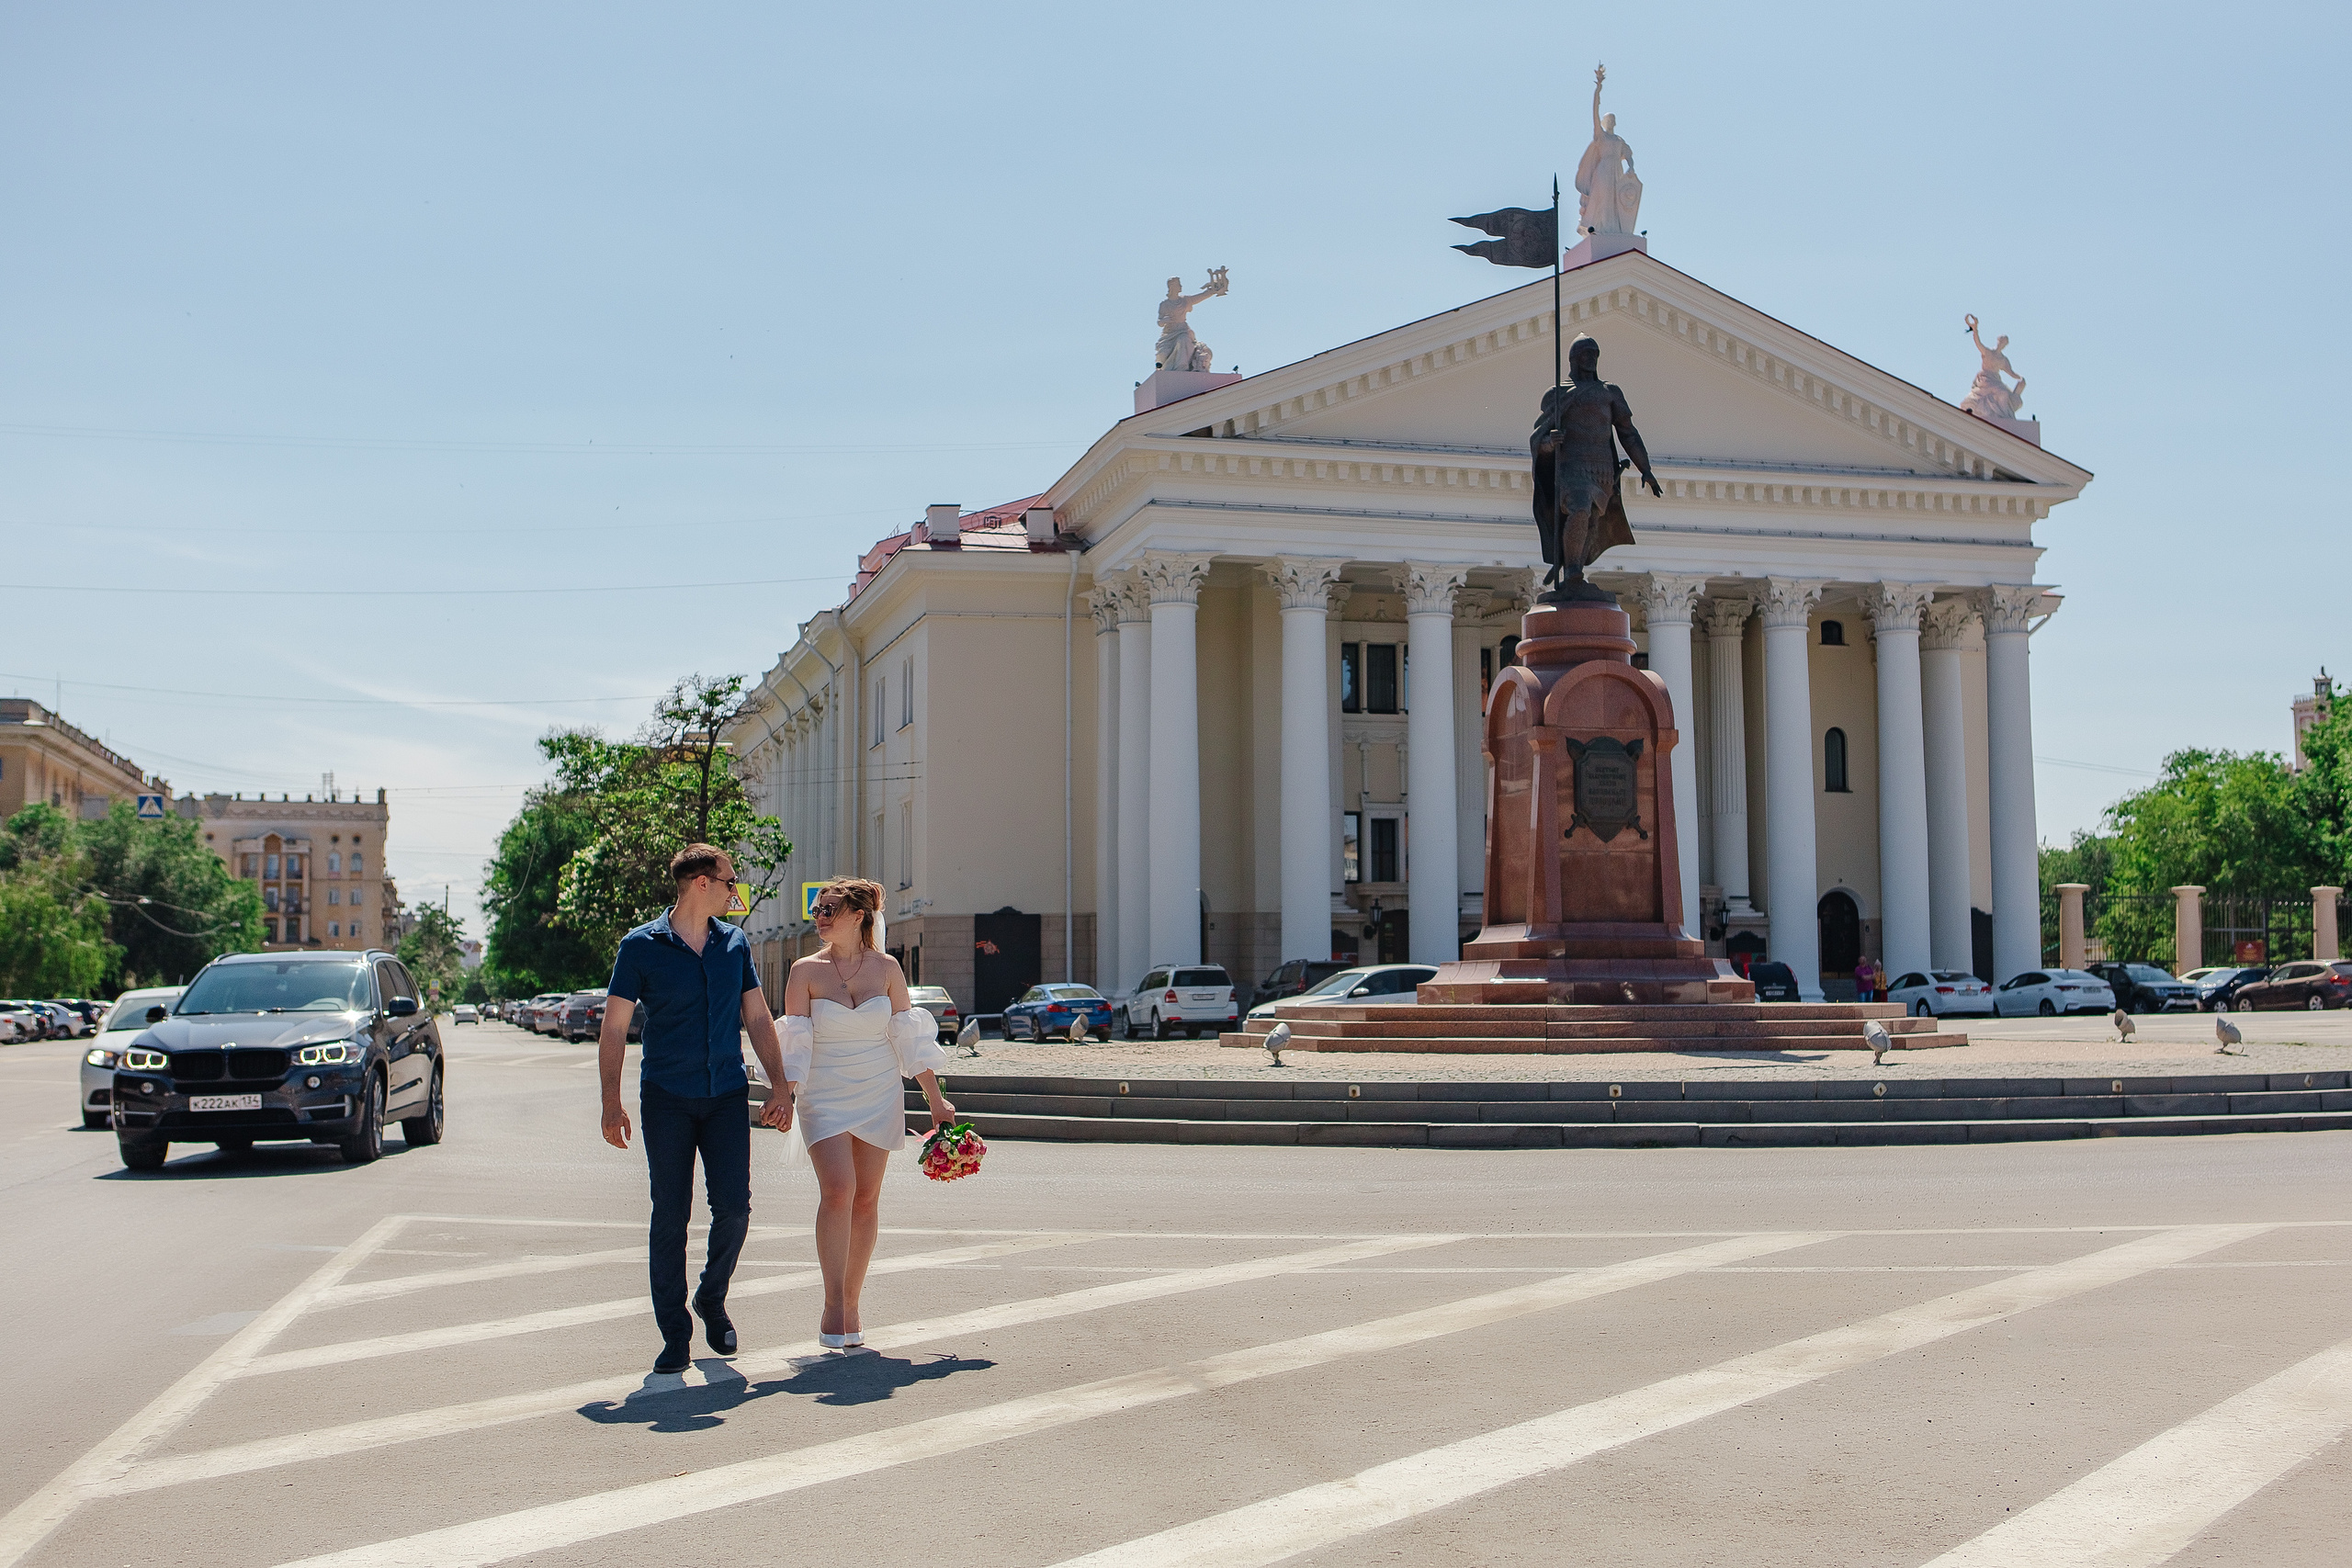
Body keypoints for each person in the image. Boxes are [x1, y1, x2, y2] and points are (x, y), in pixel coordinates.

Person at [600, 843, 793, 1374]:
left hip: (726, 1093)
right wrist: (610, 1102)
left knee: (734, 1209)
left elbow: (757, 1018)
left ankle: (711, 1296)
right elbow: (614, 1027)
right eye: (730, 881)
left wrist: (780, 1087)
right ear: (701, 884)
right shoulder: (641, 947)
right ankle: (675, 1334)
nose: (737, 890)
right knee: (671, 1216)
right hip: (666, 1096)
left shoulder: (734, 944)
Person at [776, 876, 955, 1348]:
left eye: (830, 910)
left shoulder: (887, 968)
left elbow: (908, 1037)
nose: (821, 917)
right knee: (839, 1189)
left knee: (866, 1200)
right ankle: (833, 1305)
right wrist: (782, 1094)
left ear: (859, 916)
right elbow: (794, 1043)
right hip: (824, 1092)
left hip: (878, 1090)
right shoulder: (804, 972)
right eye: (817, 909)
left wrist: (936, 1100)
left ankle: (853, 1302)